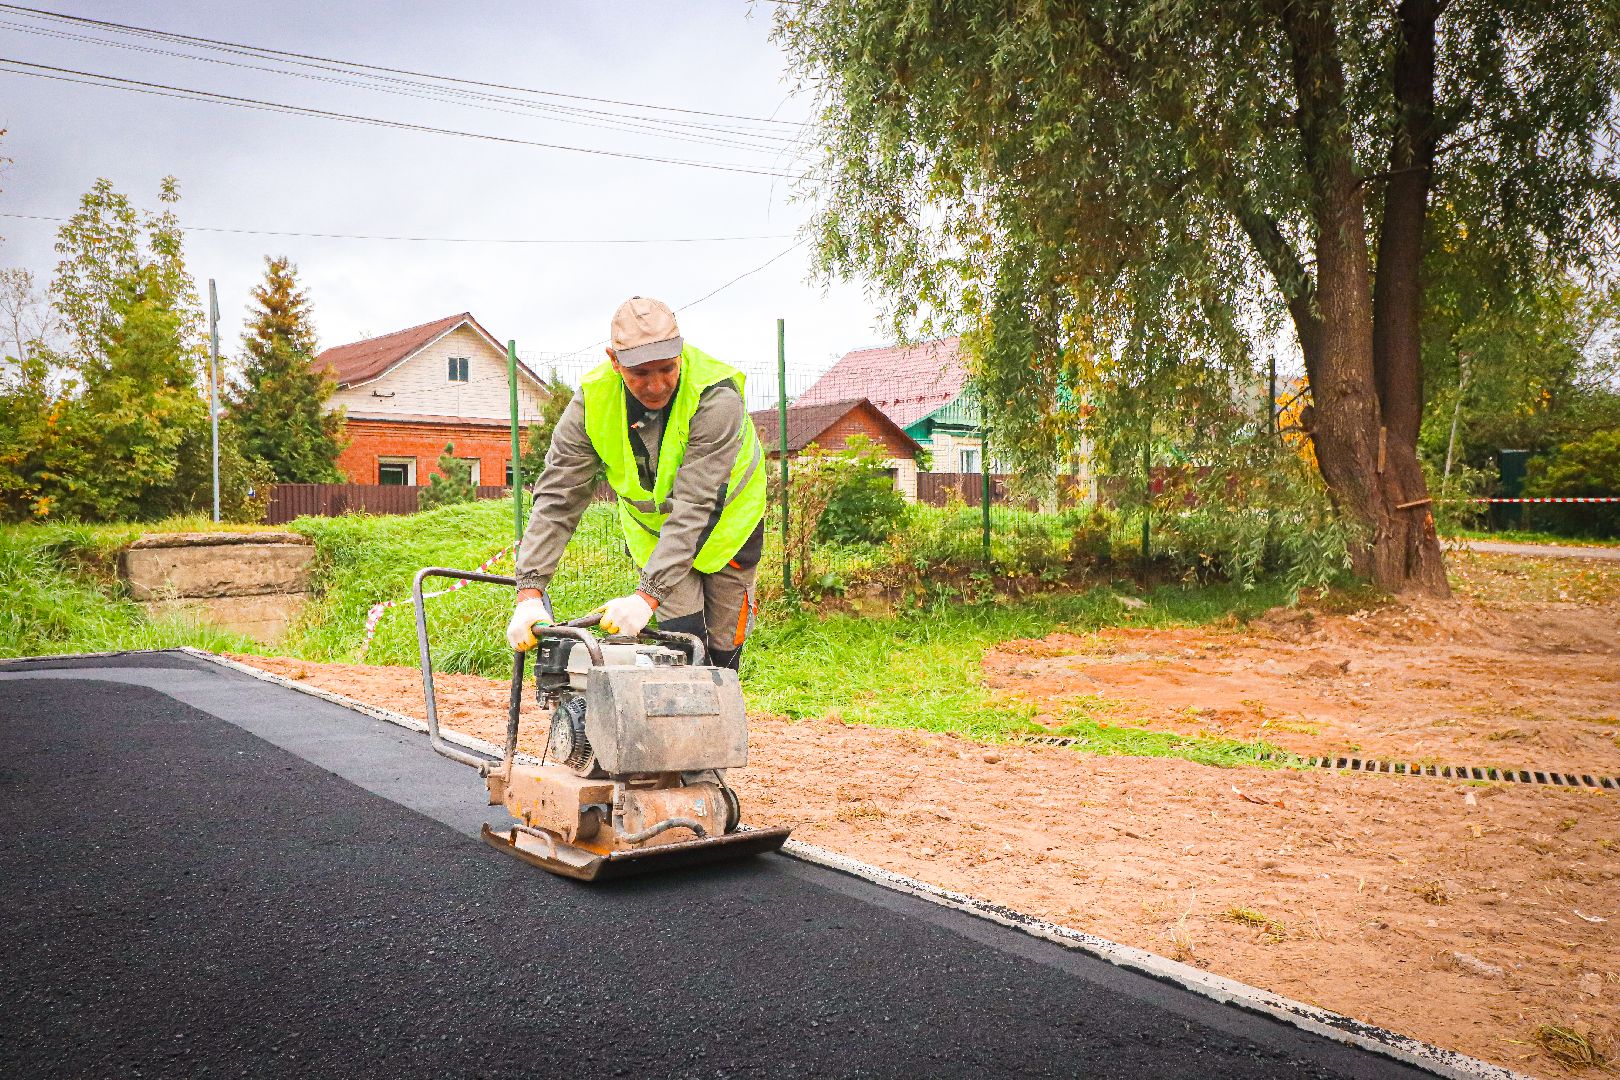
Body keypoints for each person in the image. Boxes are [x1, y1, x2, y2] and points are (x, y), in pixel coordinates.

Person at [505, 296, 766, 670]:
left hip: (728, 531)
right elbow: (558, 499)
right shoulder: (593, 401)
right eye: (641, 374)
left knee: (723, 655)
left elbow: (696, 505)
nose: (657, 385)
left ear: (680, 352)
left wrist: (647, 597)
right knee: (683, 648)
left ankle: (718, 718)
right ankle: (678, 724)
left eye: (666, 368)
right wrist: (529, 594)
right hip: (658, 537)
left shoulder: (716, 394)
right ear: (614, 361)